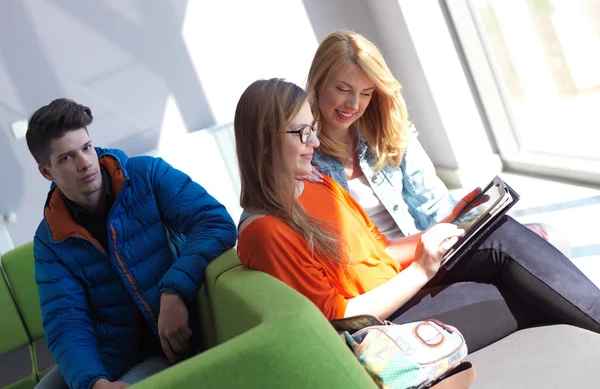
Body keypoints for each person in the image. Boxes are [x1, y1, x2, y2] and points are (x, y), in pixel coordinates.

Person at [234, 79, 600, 355]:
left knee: (497, 232)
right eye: (302, 133)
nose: (315, 142)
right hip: (382, 328)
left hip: (404, 292)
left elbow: (380, 251)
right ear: (265, 141)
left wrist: (449, 226)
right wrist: (422, 271)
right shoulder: (265, 230)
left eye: (312, 128)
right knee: (530, 286)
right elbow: (338, 319)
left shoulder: (315, 185)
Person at [26, 99, 237, 389]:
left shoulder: (146, 175)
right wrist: (94, 382)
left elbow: (215, 223)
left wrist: (174, 290)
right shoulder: (49, 240)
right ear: (46, 171)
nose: (85, 162)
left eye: (86, 148)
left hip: (166, 342)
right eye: (67, 158)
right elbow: (66, 322)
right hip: (108, 352)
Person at [304, 30, 553, 242]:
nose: (353, 104)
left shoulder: (387, 134)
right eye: (343, 89)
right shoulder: (302, 154)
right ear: (318, 82)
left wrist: (484, 225)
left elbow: (434, 206)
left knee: (520, 239)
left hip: (424, 251)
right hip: (382, 272)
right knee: (514, 249)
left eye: (366, 93)